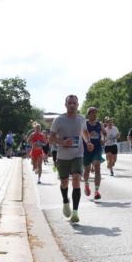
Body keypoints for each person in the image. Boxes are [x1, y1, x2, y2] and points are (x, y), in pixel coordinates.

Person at [49, 94, 91, 223]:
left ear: (78, 105)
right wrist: (62, 142)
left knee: (77, 179)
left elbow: (84, 131)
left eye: (74, 103)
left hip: (77, 155)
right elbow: (51, 138)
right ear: (66, 105)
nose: (72, 105)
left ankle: (75, 212)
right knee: (64, 183)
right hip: (63, 156)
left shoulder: (82, 118)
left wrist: (88, 142)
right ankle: (65, 201)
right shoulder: (59, 120)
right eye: (70, 103)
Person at [82, 107, 104, 200]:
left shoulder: (99, 124)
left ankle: (96, 191)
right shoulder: (84, 123)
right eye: (93, 113)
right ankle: (86, 185)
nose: (95, 115)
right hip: (86, 149)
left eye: (96, 113)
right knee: (86, 170)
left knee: (97, 168)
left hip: (97, 148)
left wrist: (102, 138)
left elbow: (102, 133)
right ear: (89, 114)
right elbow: (82, 133)